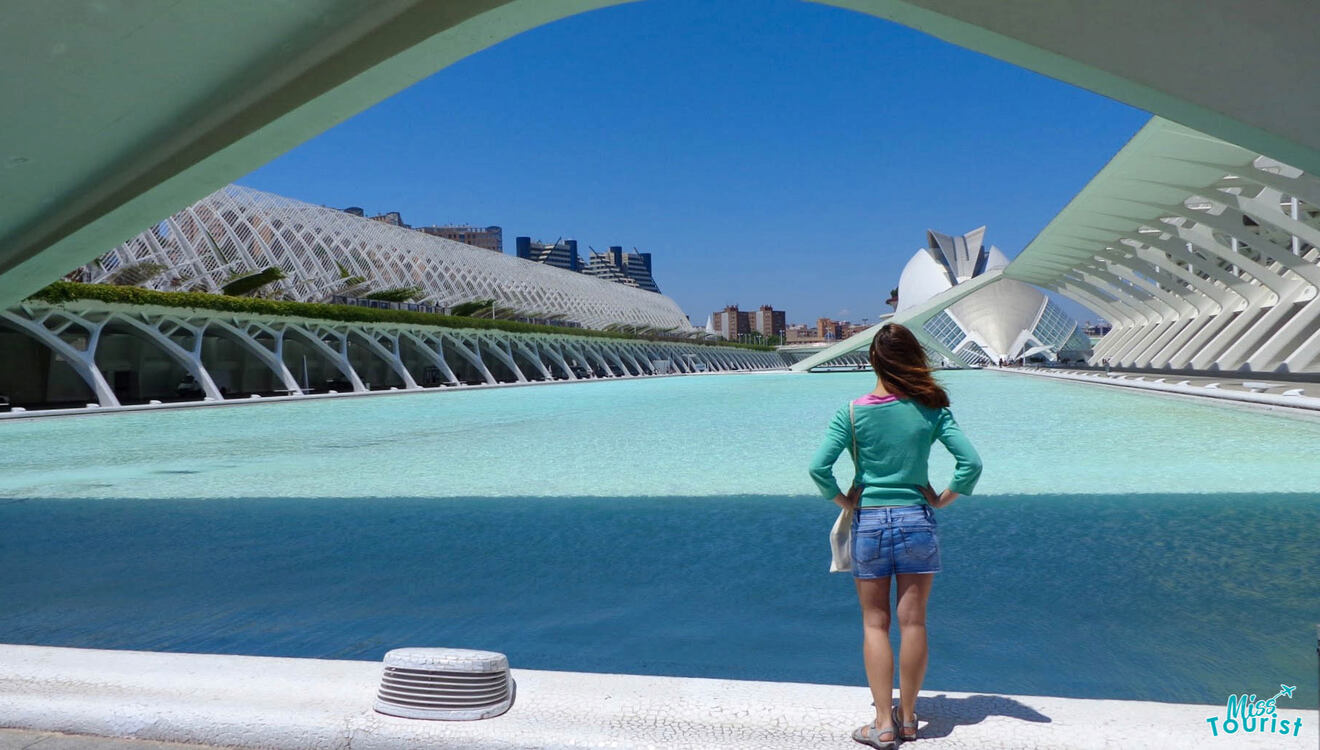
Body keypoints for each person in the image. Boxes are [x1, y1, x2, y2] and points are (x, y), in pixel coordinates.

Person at [808, 323, 982, 749]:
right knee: (913, 622)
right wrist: (942, 500)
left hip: (869, 521)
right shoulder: (932, 408)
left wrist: (844, 502)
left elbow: (818, 468)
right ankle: (907, 718)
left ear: (874, 361)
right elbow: (971, 464)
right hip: (916, 520)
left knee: (875, 623)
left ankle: (882, 724)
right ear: (913, 360)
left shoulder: (851, 412)